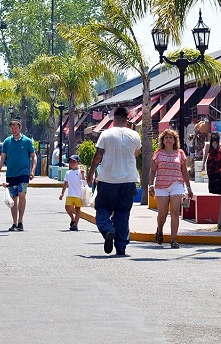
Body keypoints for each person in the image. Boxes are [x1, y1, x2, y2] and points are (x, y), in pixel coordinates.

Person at [86, 106, 141, 256]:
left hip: (108, 180)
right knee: (123, 213)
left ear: (114, 119)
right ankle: (121, 247)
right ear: (127, 120)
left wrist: (91, 174)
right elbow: (136, 152)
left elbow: (98, 156)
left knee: (102, 208)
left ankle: (108, 229)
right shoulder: (134, 135)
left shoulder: (106, 134)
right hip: (128, 180)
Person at [148, 129, 193, 249]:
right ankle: (160, 230)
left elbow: (184, 171)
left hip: (176, 184)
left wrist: (188, 187)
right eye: (166, 137)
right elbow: (152, 171)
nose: (168, 139)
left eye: (171, 137)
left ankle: (173, 240)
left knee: (174, 211)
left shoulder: (180, 153)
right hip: (161, 185)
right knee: (162, 214)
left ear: (175, 140)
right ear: (162, 140)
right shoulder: (158, 153)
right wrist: (150, 185)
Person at [0, 119, 36, 232]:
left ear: (20, 128)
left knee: (21, 194)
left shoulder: (27, 141)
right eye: (12, 128)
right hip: (11, 174)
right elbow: (2, 157)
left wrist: (32, 170)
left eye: (16, 128)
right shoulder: (7, 142)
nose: (14, 130)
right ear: (10, 129)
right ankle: (14, 222)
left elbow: (34, 156)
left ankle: (20, 221)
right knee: (13, 198)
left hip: (23, 173)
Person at [59, 154, 85, 231]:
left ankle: (75, 225)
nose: (71, 163)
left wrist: (83, 175)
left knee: (77, 209)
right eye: (70, 162)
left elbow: (84, 182)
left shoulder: (80, 172)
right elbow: (65, 183)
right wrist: (62, 193)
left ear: (78, 162)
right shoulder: (68, 173)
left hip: (78, 195)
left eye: (73, 161)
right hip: (70, 194)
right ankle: (73, 219)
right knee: (67, 207)